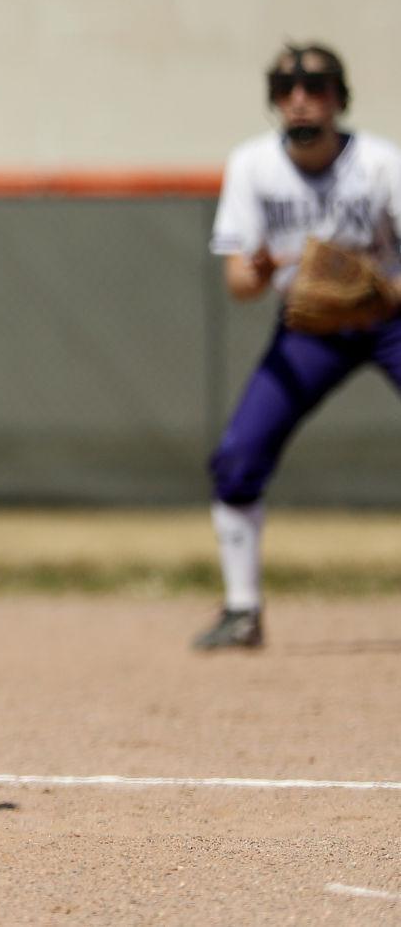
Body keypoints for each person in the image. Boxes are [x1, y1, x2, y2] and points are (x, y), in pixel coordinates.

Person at [194, 42, 401, 650]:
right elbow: (239, 284)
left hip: (390, 321)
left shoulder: (383, 164)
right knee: (237, 457)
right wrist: (256, 272)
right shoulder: (253, 166)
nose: (301, 97)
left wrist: (379, 291)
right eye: (287, 89)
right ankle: (241, 610)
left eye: (315, 86)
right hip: (308, 328)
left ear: (340, 98)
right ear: (275, 102)